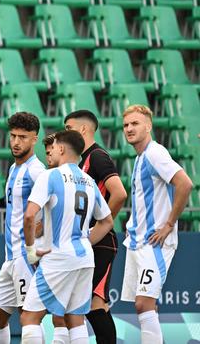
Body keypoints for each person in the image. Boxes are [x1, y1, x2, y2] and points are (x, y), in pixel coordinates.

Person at [19, 130, 115, 344]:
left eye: (52, 147)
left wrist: (31, 252)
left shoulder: (50, 176)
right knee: (75, 320)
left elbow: (28, 216)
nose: (49, 152)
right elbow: (107, 221)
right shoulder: (89, 181)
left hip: (58, 257)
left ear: (61, 148)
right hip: (84, 259)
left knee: (29, 317)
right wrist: (83, 242)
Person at [120, 105, 193, 344]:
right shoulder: (141, 157)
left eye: (135, 123)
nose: (129, 128)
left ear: (149, 126)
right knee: (146, 305)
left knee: (144, 304)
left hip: (156, 242)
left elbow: (185, 183)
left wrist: (169, 224)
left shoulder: (155, 153)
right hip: (139, 241)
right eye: (126, 125)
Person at [63, 110, 126, 344]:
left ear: (83, 130)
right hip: (95, 241)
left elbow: (119, 193)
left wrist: (102, 225)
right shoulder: (83, 160)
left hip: (101, 242)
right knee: (94, 304)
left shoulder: (98, 156)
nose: (64, 133)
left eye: (68, 128)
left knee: (86, 303)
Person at [0, 113, 46, 344]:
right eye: (13, 136)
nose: (15, 142)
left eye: (22, 137)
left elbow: (55, 202)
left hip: (25, 256)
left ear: (34, 139)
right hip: (10, 257)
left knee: (28, 317)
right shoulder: (13, 168)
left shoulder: (36, 171)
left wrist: (44, 229)